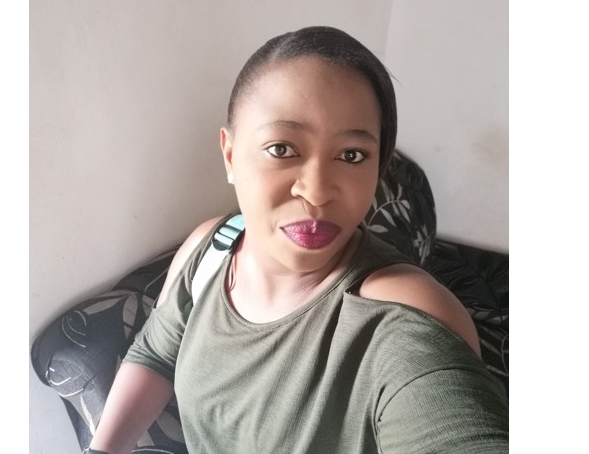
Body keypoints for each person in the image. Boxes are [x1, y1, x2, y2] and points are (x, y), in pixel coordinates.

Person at [86, 26, 509, 454]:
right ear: (230, 155)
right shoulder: (210, 249)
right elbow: (157, 354)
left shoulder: (404, 314)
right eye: (282, 149)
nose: (317, 191)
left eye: (352, 155)